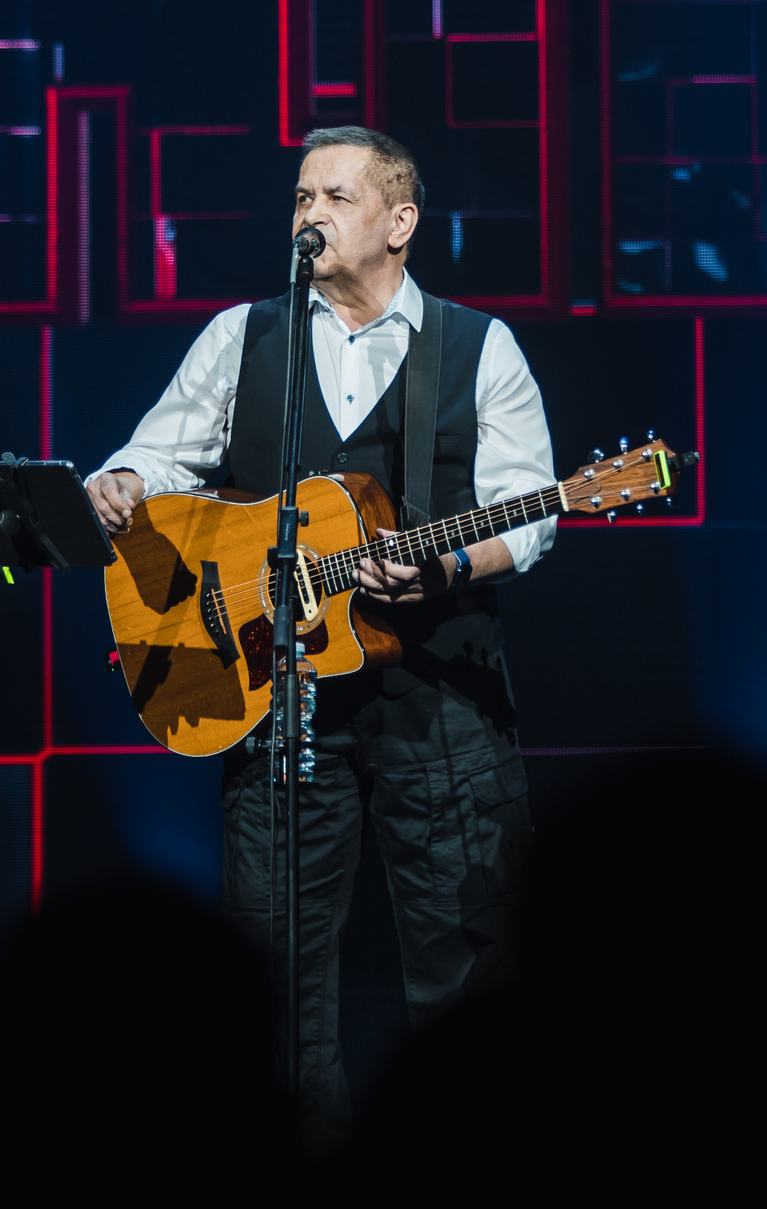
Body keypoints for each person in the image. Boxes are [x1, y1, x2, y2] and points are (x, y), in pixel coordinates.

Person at [85, 125, 557, 1145]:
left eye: (333, 198)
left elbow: (532, 511)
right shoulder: (243, 335)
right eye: (300, 198)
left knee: (463, 963)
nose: (307, 215)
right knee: (272, 978)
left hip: (439, 701)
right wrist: (124, 480)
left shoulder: (479, 347)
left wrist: (440, 563)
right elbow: (162, 455)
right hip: (275, 694)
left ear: (399, 222)